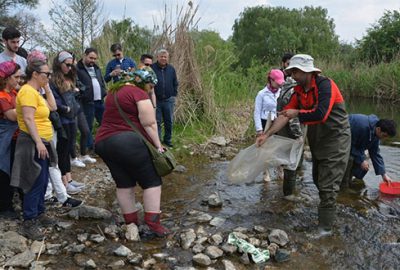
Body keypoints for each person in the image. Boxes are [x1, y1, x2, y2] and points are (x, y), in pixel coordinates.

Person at [256, 54, 351, 237]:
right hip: (317, 139)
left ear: (307, 71)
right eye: (291, 71)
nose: (293, 75)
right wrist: (266, 135)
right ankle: (329, 214)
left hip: (336, 139)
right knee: (317, 178)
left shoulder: (325, 85)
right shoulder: (299, 90)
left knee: (327, 185)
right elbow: (285, 115)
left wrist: (297, 112)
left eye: (296, 71)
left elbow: (321, 114)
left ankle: (325, 229)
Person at [95, 66, 170, 238]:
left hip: (102, 142)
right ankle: (153, 224)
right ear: (144, 82)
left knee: (124, 183)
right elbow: (149, 123)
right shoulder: (138, 93)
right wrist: (158, 146)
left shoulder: (114, 92)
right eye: (151, 86)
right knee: (151, 181)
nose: (151, 90)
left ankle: (131, 223)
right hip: (126, 142)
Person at [11, 56, 58, 240]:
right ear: (36, 74)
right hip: (32, 142)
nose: (50, 76)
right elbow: (29, 119)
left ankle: (39, 212)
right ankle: (29, 220)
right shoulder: (27, 92)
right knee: (34, 180)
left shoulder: (36, 91)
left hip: (42, 141)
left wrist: (46, 87)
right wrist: (38, 142)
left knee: (43, 178)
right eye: (47, 74)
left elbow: (53, 107)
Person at [50, 51, 85, 194]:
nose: (70, 68)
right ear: (60, 63)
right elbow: (53, 100)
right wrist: (65, 108)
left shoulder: (70, 76)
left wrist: (77, 93)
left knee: (69, 147)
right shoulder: (53, 80)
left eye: (72, 65)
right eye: (67, 65)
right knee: (63, 151)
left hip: (72, 117)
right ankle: (64, 183)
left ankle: (69, 179)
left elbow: (79, 91)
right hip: (62, 119)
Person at [341, 114, 397, 188]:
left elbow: (375, 153)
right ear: (379, 129)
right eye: (384, 136)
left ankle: (349, 180)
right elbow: (349, 145)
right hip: (340, 141)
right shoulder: (362, 126)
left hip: (353, 145)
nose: (384, 139)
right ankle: (343, 186)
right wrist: (361, 160)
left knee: (364, 166)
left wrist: (383, 174)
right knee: (351, 159)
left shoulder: (376, 133)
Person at [0, 61, 22, 219]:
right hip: (5, 139)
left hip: (15, 138)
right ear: (7, 78)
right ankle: (5, 207)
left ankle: (10, 203)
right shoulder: (2, 96)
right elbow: (11, 116)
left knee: (14, 170)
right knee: (4, 171)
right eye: (16, 77)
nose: (19, 80)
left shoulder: (14, 93)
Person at [76, 48, 106, 151]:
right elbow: (77, 83)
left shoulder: (96, 68)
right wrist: (83, 92)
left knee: (105, 122)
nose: (92, 60)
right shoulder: (77, 68)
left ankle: (104, 143)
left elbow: (101, 80)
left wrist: (103, 90)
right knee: (88, 126)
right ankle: (90, 147)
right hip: (87, 101)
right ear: (84, 55)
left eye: (95, 58)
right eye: (91, 58)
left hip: (99, 100)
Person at [151, 49, 178, 148]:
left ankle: (167, 140)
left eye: (165, 57)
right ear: (157, 57)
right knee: (157, 121)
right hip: (156, 100)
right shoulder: (152, 68)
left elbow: (175, 82)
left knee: (169, 121)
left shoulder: (171, 69)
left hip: (168, 100)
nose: (163, 58)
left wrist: (174, 94)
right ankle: (158, 141)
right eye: (161, 56)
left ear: (168, 58)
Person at [254, 69, 285, 136]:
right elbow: (257, 112)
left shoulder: (282, 93)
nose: (279, 84)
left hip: (278, 122)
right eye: (278, 82)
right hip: (265, 122)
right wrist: (259, 129)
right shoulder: (261, 94)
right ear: (271, 80)